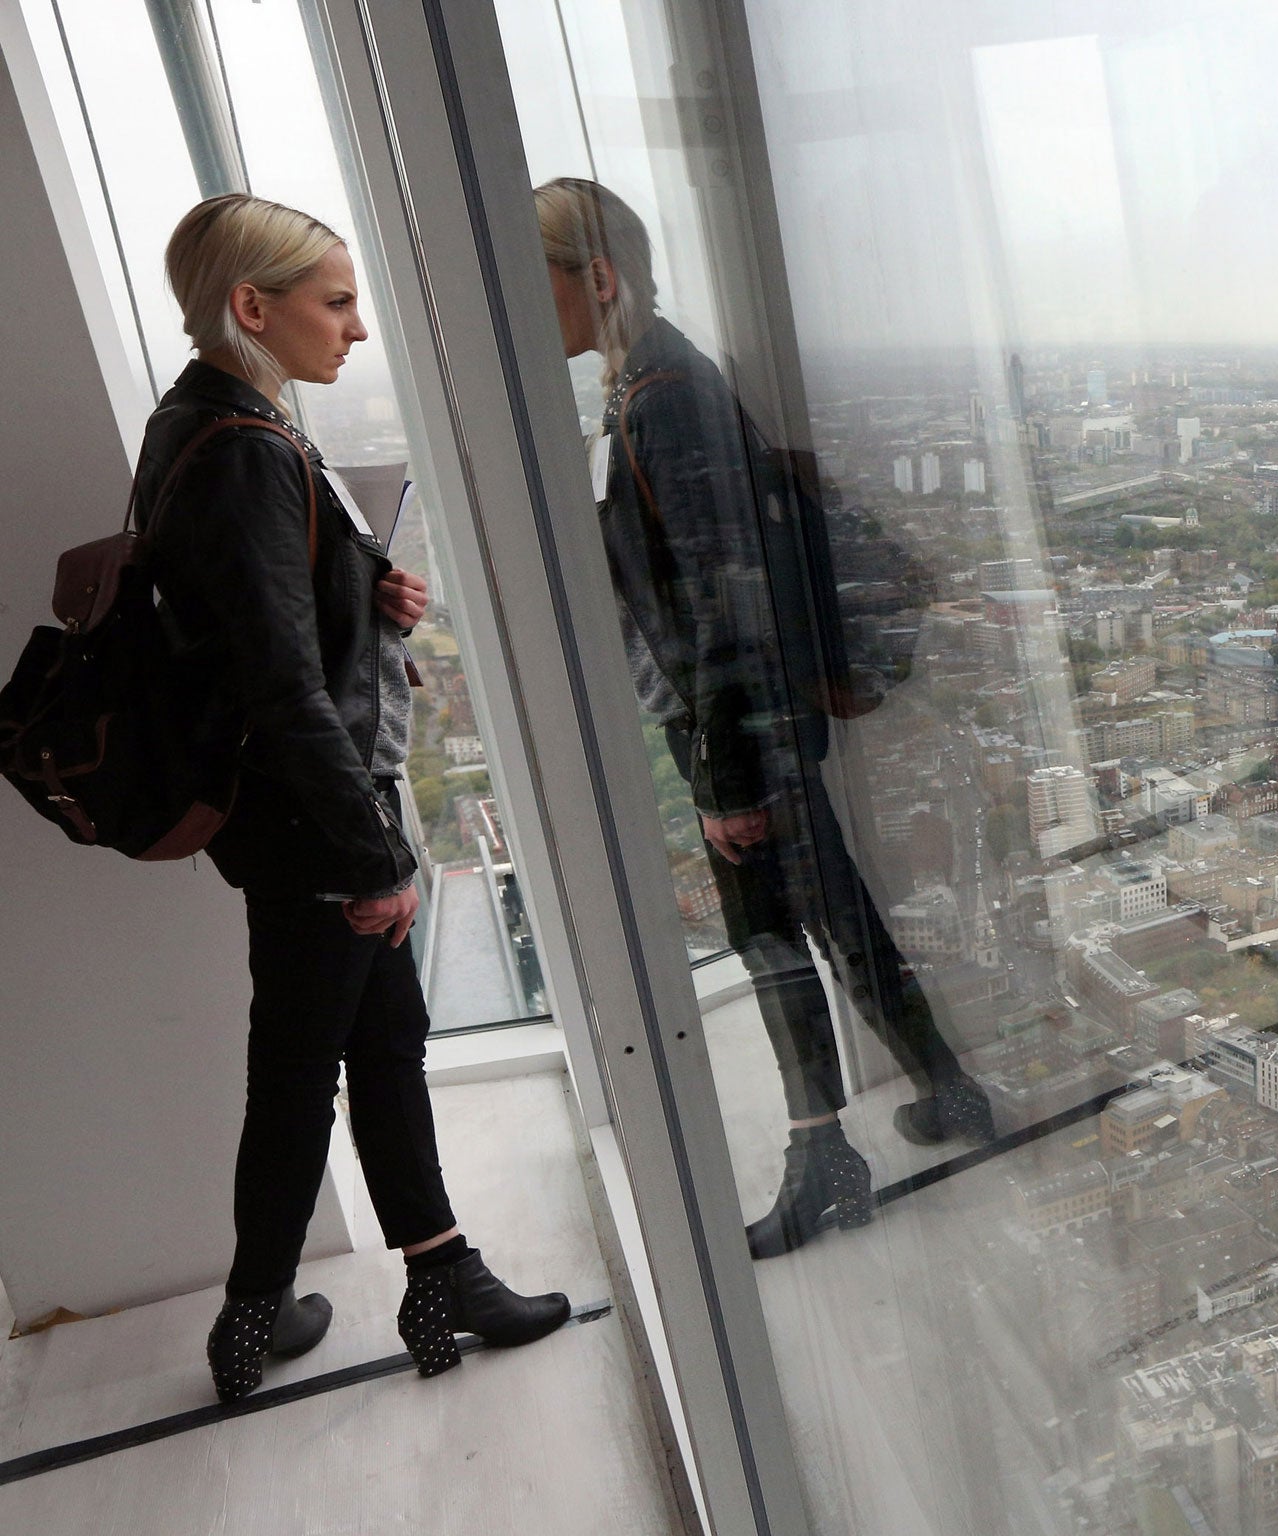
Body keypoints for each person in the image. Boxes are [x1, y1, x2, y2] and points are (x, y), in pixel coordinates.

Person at [141, 194, 569, 1400]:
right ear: (251, 307)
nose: (356, 330)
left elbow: (244, 624)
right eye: (335, 303)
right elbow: (277, 678)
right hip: (309, 817)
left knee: (380, 1044)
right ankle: (250, 1323)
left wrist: (361, 591)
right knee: (302, 1069)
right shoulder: (246, 452)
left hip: (288, 812)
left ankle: (440, 1283)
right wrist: (370, 856)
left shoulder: (198, 422)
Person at [533, 178, 994, 1259]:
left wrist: (726, 778)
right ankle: (946, 1088)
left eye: (533, 282)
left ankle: (820, 1155)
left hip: (742, 730)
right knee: (829, 908)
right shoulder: (655, 379)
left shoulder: (661, 396)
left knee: (769, 935)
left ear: (596, 280)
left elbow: (722, 599)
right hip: (757, 720)